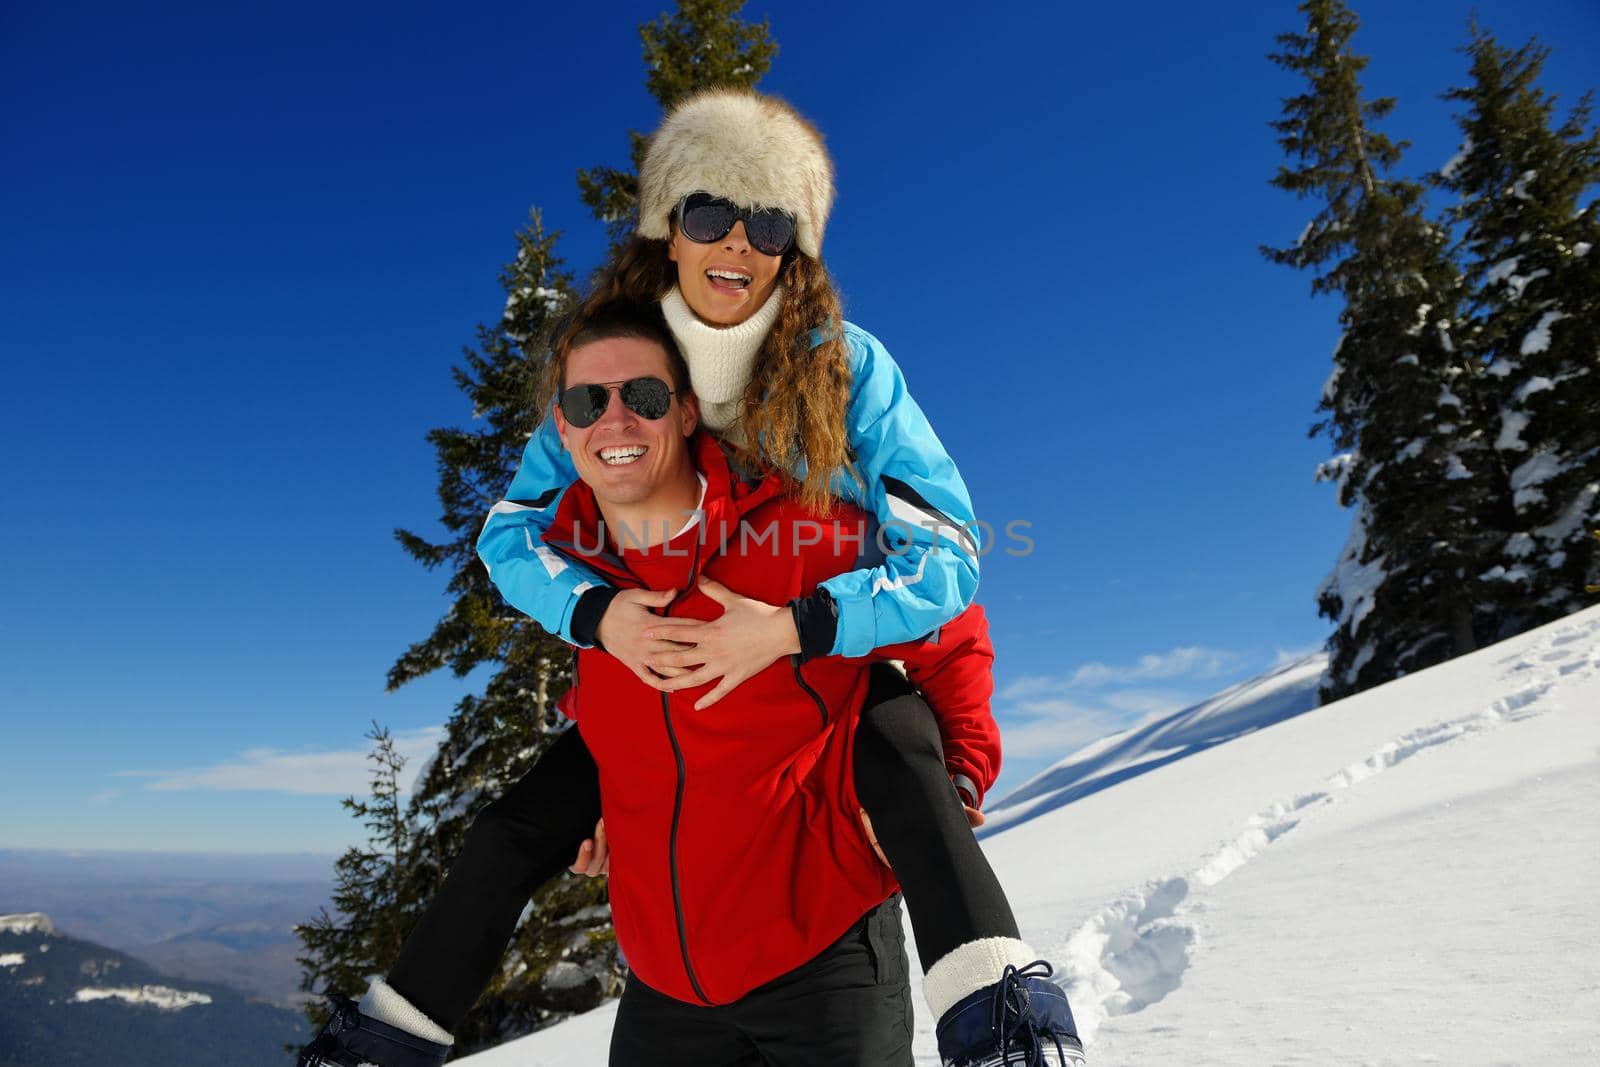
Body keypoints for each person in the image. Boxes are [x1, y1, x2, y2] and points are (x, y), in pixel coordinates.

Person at [302, 88, 1085, 1067]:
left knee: (882, 707)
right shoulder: (619, 385)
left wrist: (797, 632)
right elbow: (517, 533)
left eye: (769, 223)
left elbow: (945, 571)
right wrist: (599, 623)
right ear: (667, 228)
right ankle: (390, 1034)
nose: (737, 243)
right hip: (673, 957)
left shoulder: (841, 385)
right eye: (709, 212)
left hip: (820, 899)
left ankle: (997, 1013)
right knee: (516, 823)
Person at [303, 300, 995, 1065]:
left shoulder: (795, 529)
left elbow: (950, 625)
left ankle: (998, 1016)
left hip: (825, 970)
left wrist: (960, 769)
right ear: (561, 433)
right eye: (585, 402)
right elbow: (606, 704)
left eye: (646, 397)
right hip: (664, 988)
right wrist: (613, 787)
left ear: (689, 409)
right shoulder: (574, 569)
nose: (616, 420)